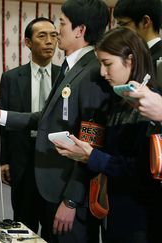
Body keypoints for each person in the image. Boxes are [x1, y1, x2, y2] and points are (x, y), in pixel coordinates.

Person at [0, 0, 111, 242]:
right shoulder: (72, 68)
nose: (56, 31)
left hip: (68, 195)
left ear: (79, 30)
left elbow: (90, 146)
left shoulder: (93, 72)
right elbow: (46, 118)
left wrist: (72, 200)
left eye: (61, 24)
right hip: (52, 187)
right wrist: (1, 115)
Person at [53, 27, 162, 243]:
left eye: (107, 64)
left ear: (130, 60)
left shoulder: (150, 106)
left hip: (140, 218)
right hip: (115, 210)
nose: (103, 72)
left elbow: (142, 172)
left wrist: (91, 156)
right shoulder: (118, 101)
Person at [0, 17, 59, 236]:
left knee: (54, 227)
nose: (49, 41)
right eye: (42, 36)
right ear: (28, 42)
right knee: (23, 226)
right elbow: (3, 122)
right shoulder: (11, 78)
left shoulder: (66, 76)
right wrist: (4, 159)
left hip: (55, 161)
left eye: (54, 35)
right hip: (22, 160)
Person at [113, 0, 162, 87]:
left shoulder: (158, 61)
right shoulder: (132, 55)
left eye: (123, 24)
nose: (120, 31)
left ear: (145, 21)